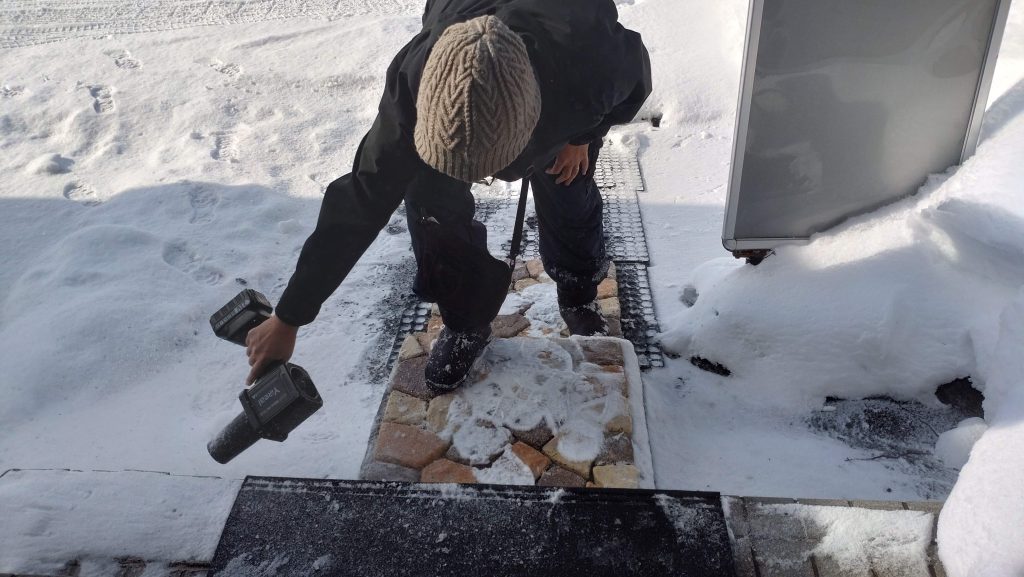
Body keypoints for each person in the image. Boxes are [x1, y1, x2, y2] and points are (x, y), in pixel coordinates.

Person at [245, 0, 652, 392]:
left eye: (487, 167)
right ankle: (466, 323)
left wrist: (582, 135)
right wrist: (289, 316)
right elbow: (361, 199)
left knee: (569, 188)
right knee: (430, 206)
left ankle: (578, 290)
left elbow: (637, 81)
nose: (480, 180)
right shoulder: (413, 84)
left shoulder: (589, 64)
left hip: (561, 86)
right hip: (464, 37)